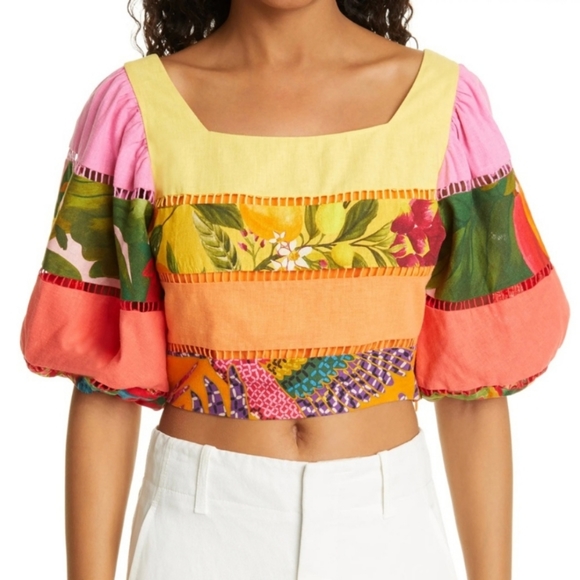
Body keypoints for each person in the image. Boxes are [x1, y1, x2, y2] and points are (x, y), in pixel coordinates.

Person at [19, 0, 570, 579]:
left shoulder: (445, 107)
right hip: (197, 531)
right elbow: (106, 385)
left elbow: (475, 386)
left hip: (388, 529)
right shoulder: (135, 112)